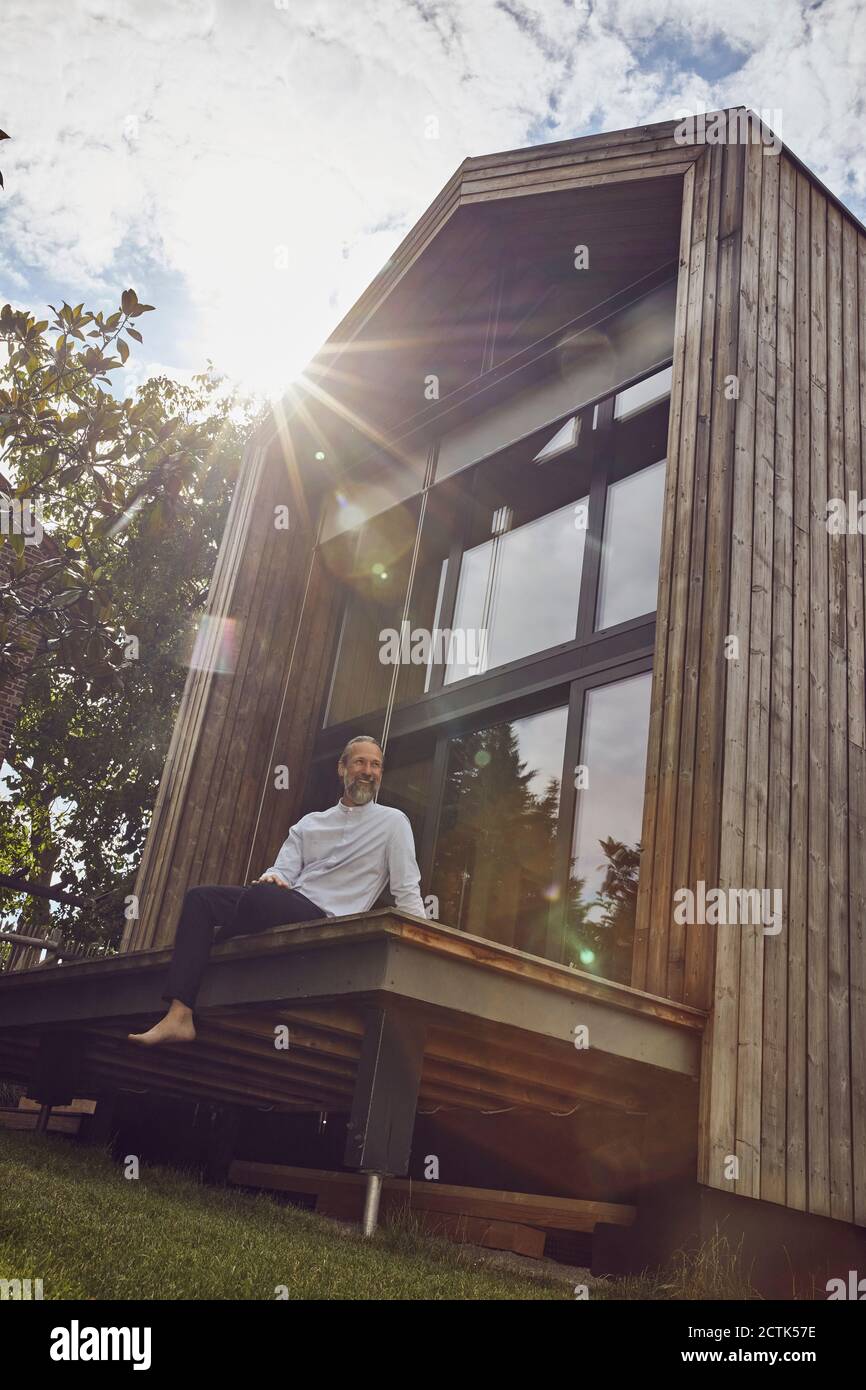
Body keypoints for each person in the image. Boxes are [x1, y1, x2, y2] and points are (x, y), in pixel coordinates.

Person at [128, 735, 426, 1047]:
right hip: (283, 900)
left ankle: (216, 941)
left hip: (325, 918)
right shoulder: (310, 823)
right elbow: (281, 872)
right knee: (200, 898)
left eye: (375, 765)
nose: (368, 770)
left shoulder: (394, 823)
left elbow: (406, 890)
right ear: (342, 769)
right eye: (360, 762)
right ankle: (179, 1016)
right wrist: (271, 879)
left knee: (261, 898)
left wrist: (423, 947)